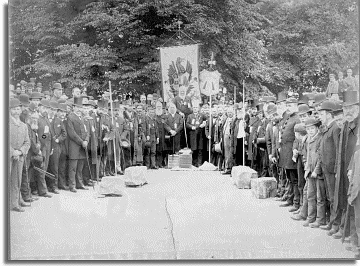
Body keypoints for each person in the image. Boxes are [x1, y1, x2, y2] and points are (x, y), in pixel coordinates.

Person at [332, 91, 359, 246]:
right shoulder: (347, 123)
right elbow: (340, 149)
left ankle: (355, 238)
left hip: (355, 171)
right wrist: (338, 169)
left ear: (358, 107)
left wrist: (352, 169)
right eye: (345, 108)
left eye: (351, 107)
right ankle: (347, 231)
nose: (348, 111)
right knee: (345, 200)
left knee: (355, 203)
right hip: (345, 170)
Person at [278, 97, 300, 210]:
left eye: (290, 105)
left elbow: (297, 138)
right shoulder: (289, 118)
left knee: (295, 179)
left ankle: (296, 203)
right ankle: (290, 199)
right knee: (290, 178)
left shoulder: (297, 119)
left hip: (292, 153)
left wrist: (294, 153)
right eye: (287, 105)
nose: (288, 108)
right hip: (285, 153)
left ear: (296, 106)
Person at [9, 98, 31, 212]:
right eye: (14, 109)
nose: (16, 111)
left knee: (17, 179)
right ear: (9, 110)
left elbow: (27, 142)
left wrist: (20, 151)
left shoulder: (23, 125)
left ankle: (16, 201)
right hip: (8, 156)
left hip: (20, 156)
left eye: (18, 109)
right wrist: (13, 152)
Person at [66, 97, 90, 192]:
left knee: (80, 167)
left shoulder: (83, 119)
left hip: (83, 146)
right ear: (74, 107)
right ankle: (72, 185)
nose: (80, 109)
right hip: (74, 146)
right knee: (73, 167)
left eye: (81, 107)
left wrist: (87, 140)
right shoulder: (70, 118)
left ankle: (80, 183)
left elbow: (87, 132)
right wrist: (82, 142)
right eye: (78, 107)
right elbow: (72, 134)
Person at [48, 102, 68, 192]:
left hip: (57, 147)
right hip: (48, 146)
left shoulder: (58, 121)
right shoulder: (46, 120)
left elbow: (64, 134)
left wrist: (58, 139)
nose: (53, 111)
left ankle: (55, 186)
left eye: (54, 110)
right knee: (49, 167)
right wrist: (45, 138)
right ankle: (49, 185)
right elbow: (42, 135)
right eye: (51, 109)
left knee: (56, 167)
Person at [36, 100, 53, 198]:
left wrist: (51, 147)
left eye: (47, 108)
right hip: (41, 146)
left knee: (45, 168)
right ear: (39, 107)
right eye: (43, 107)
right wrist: (44, 136)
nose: (45, 110)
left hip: (48, 146)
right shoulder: (37, 118)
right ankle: (42, 190)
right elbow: (39, 136)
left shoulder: (45, 118)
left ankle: (42, 189)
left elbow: (49, 134)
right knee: (41, 168)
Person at [186, 103, 205, 167]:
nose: (195, 109)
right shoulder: (190, 116)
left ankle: (199, 163)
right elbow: (187, 124)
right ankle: (194, 163)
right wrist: (191, 127)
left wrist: (204, 124)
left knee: (200, 149)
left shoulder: (202, 115)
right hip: (193, 134)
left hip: (200, 134)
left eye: (196, 107)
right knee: (194, 149)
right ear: (192, 108)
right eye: (194, 107)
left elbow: (207, 120)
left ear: (198, 108)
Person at [221, 106, 234, 175]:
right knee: (226, 153)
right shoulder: (226, 119)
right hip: (225, 138)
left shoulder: (234, 120)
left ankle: (229, 168)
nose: (229, 114)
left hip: (230, 138)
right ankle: (226, 167)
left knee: (230, 153)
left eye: (231, 112)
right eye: (228, 112)